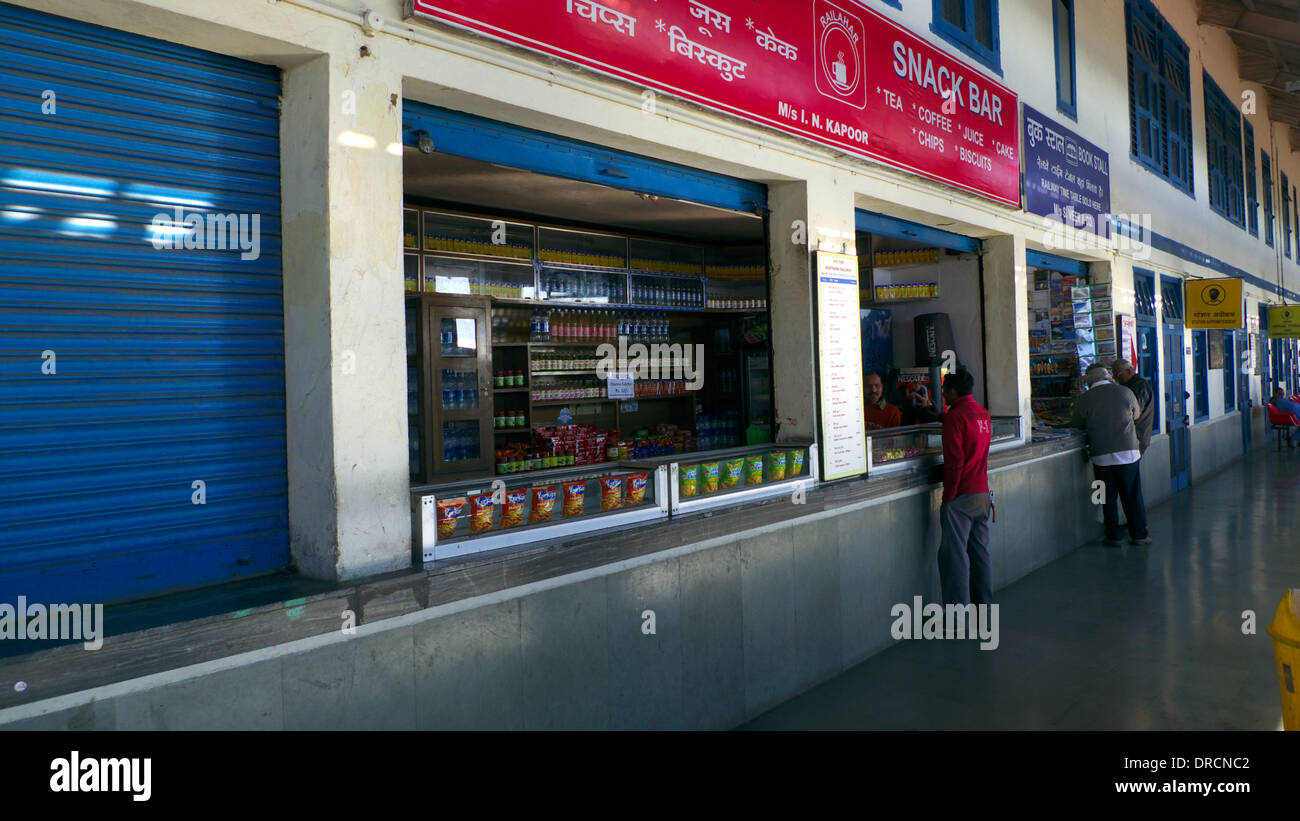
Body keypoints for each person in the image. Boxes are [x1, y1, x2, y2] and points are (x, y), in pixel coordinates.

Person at [1069, 364, 1151, 547]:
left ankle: (1113, 535)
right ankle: (1139, 535)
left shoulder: (1085, 398)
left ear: (1089, 381)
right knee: (1132, 495)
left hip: (1101, 456)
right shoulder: (1125, 392)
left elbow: (1076, 423)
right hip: (1128, 454)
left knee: (1105, 496)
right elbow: (1136, 415)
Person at [937, 368, 993, 606]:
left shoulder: (955, 418)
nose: (942, 393)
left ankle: (957, 615)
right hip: (982, 495)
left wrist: (948, 497)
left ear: (952, 390)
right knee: (979, 554)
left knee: (954, 558)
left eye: (944, 390)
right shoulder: (983, 414)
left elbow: (954, 462)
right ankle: (984, 606)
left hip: (961, 497)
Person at [1112, 359, 1154, 455]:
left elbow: (1134, 412)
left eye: (1118, 375)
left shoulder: (1139, 386)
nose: (1116, 379)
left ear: (1129, 371)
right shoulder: (1132, 386)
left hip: (1137, 437)